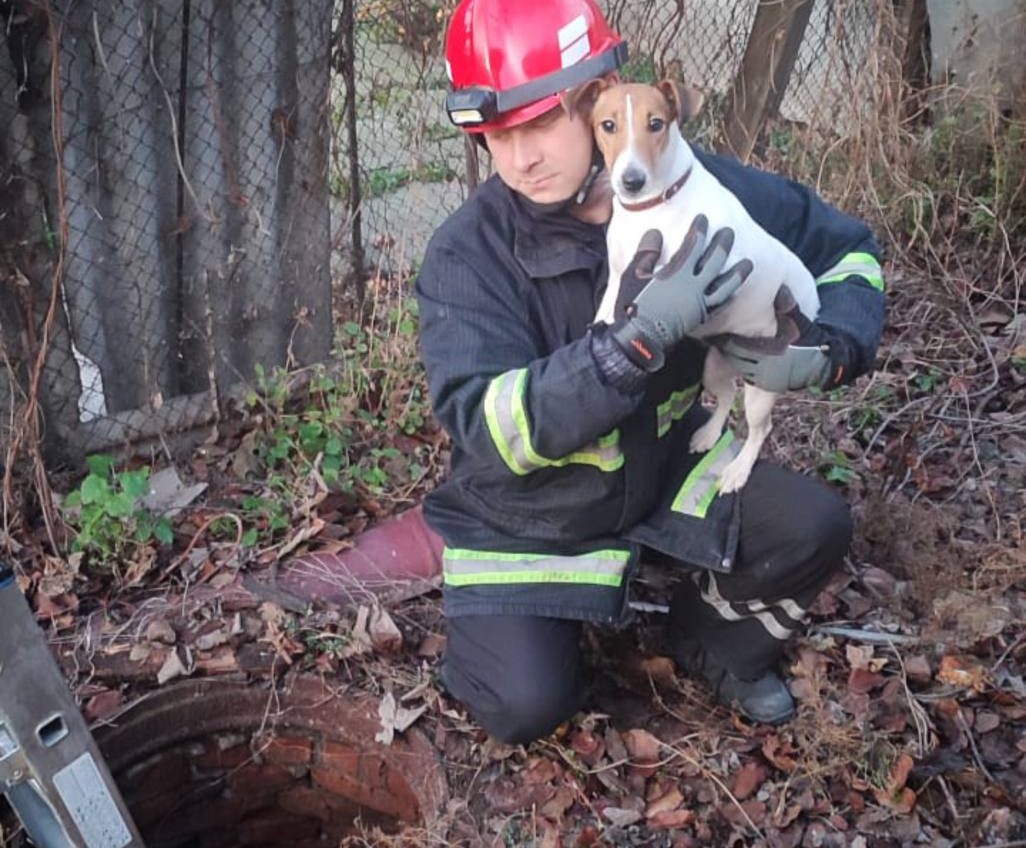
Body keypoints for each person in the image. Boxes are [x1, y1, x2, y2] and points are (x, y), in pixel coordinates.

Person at [414, 0, 885, 743]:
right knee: (525, 703)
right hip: (534, 513)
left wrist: (830, 347)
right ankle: (539, 633)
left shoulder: (702, 190)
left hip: (661, 467)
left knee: (814, 529)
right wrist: (626, 347)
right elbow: (487, 426)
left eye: (539, 123)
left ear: (603, 91)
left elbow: (847, 251)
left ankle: (709, 641)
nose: (518, 159)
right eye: (495, 134)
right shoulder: (468, 255)